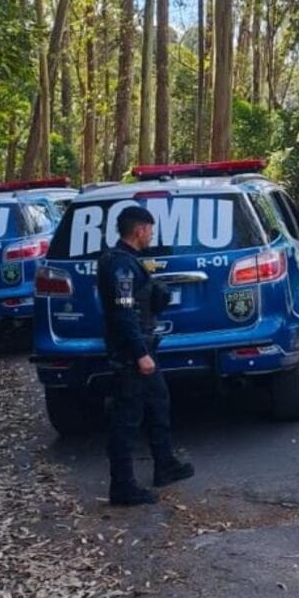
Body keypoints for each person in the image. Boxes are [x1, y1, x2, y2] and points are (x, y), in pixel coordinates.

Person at [97, 206, 194, 506]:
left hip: (142, 348)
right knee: (126, 419)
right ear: (139, 230)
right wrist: (140, 354)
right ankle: (122, 486)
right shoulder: (121, 266)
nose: (152, 235)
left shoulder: (127, 262)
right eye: (150, 230)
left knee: (159, 403)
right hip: (131, 353)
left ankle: (164, 464)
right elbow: (123, 312)